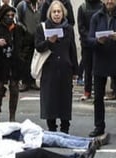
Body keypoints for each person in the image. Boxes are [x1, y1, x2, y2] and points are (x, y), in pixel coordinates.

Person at [88, 0, 116, 139]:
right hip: (100, 60)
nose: (109, 1)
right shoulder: (96, 16)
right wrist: (98, 41)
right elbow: (88, 40)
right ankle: (99, 126)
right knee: (98, 98)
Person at [34, 1, 77, 133]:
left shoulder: (68, 28)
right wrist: (48, 42)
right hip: (49, 69)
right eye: (54, 12)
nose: (57, 14)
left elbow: (72, 49)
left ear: (63, 13)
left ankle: (65, 127)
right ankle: (51, 127)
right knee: (50, 99)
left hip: (65, 69)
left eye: (59, 12)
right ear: (50, 13)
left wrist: (75, 70)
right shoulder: (42, 28)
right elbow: (38, 47)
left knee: (65, 99)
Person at [0, 4, 23, 121]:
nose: (10, 17)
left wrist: (22, 56)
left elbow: (26, 43)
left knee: (14, 88)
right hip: (0, 63)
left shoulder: (18, 29)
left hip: (14, 62)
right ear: (2, 17)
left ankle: (12, 116)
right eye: (8, 15)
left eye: (12, 15)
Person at [77, 0, 104, 102]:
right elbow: (81, 27)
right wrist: (89, 38)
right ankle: (87, 91)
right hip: (87, 44)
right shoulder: (82, 7)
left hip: (100, 42)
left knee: (99, 69)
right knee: (87, 68)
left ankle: (99, 92)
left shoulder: (102, 6)